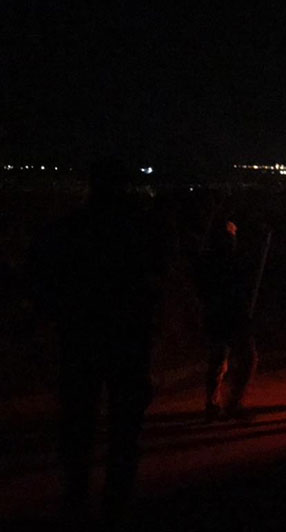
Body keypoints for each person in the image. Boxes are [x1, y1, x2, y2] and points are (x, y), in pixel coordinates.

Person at [30, 160, 167, 522]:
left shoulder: (66, 230)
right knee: (124, 430)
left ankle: (76, 501)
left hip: (81, 340)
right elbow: (158, 284)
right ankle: (115, 504)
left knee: (79, 425)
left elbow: (42, 285)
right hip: (126, 342)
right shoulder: (142, 231)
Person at [196, 219, 258, 422]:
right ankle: (230, 403)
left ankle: (214, 404)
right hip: (230, 316)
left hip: (220, 316)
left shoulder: (210, 260)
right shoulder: (226, 260)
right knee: (245, 359)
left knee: (219, 359)